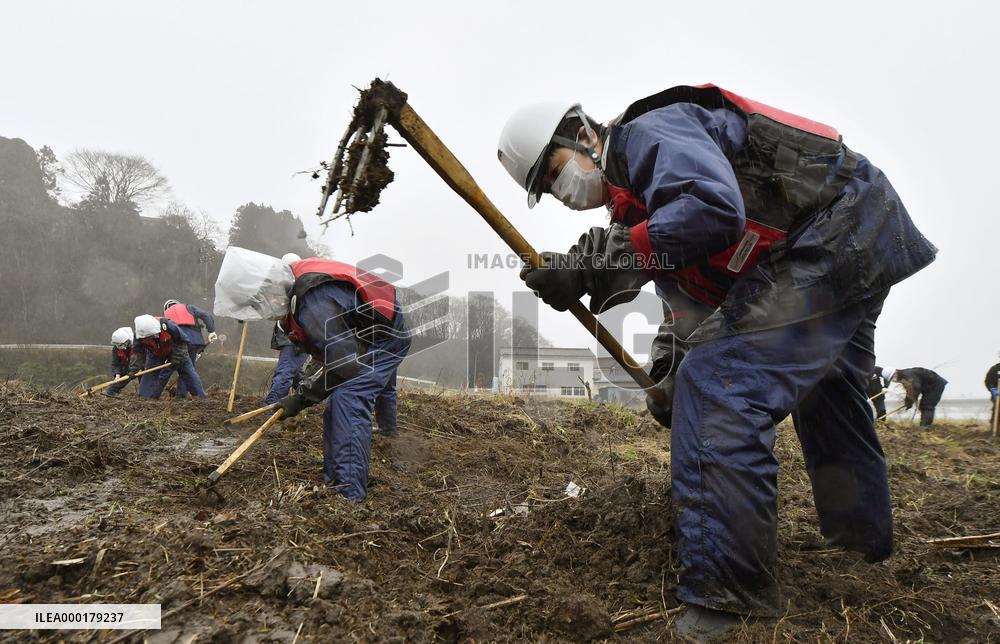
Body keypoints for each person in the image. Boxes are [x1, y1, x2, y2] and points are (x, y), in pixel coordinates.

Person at [498, 84, 936, 639]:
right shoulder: (641, 199)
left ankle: (728, 598)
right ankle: (859, 543)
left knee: (719, 384)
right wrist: (667, 373)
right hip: (857, 227)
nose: (563, 193)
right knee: (825, 387)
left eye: (556, 173)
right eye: (548, 191)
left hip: (831, 233)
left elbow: (711, 210)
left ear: (584, 135)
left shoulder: (646, 136)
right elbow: (688, 298)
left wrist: (592, 269)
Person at [214, 247, 411, 500]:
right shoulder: (296, 291)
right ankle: (336, 480)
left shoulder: (313, 307)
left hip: (386, 340)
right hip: (367, 337)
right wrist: (304, 396)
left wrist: (303, 396)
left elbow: (346, 365)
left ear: (268, 292)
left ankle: (350, 494)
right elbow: (337, 357)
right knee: (337, 402)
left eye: (258, 303)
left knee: (348, 399)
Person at [263, 254, 310, 406]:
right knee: (296, 375)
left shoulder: (303, 287)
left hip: (296, 338)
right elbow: (275, 310)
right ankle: (309, 402)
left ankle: (269, 408)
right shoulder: (285, 287)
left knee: (285, 373)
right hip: (288, 336)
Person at [132, 314, 207, 399]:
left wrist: (177, 357)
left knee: (188, 373)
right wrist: (133, 370)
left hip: (177, 350)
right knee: (150, 375)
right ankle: (146, 399)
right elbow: (138, 353)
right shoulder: (139, 335)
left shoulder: (168, 325)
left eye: (153, 336)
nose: (152, 338)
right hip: (155, 354)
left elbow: (183, 341)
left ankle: (200, 398)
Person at [162, 299, 217, 397]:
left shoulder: (166, 316)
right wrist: (211, 330)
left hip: (178, 343)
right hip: (194, 341)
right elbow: (205, 315)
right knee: (188, 368)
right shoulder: (189, 307)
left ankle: (180, 394)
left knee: (184, 368)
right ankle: (184, 394)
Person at [105, 326, 135, 397]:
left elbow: (140, 360)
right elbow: (115, 364)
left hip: (139, 366)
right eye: (117, 345)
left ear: (126, 342)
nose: (118, 347)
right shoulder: (116, 348)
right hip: (127, 367)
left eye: (120, 345)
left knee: (144, 382)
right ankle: (110, 394)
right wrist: (117, 374)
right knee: (116, 383)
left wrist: (133, 371)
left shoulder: (135, 346)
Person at [984, 361, 1000, 426]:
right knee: (997, 412)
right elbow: (988, 381)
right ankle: (995, 430)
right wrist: (993, 390)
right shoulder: (995, 368)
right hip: (998, 395)